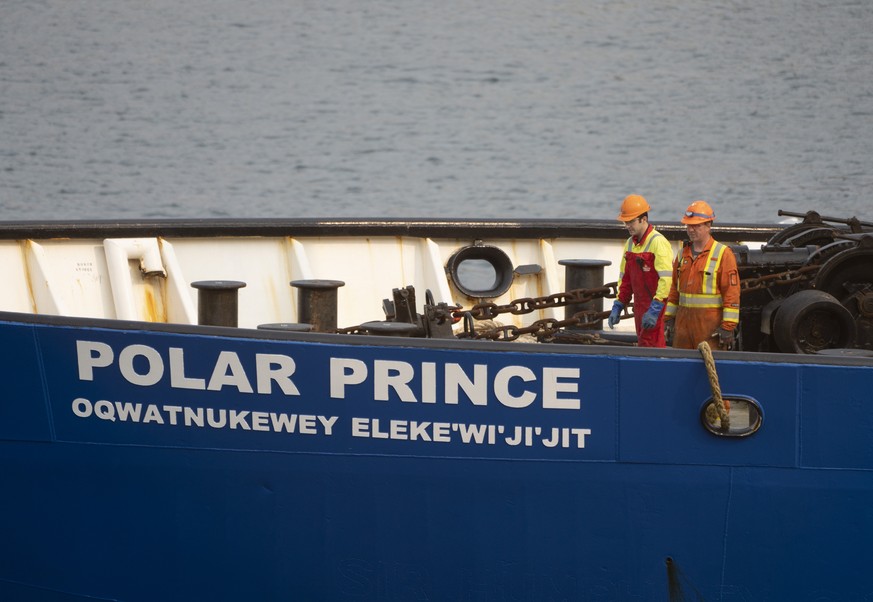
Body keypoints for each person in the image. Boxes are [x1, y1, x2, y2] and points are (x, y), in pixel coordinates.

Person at [664, 200, 740, 350]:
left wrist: (727, 327)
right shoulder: (682, 255)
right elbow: (674, 290)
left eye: (696, 225)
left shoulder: (723, 254)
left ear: (708, 226)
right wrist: (668, 318)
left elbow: (731, 293)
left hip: (709, 331)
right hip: (682, 331)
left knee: (709, 369)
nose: (691, 230)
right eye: (688, 225)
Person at [607, 194, 674, 347]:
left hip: (657, 308)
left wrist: (655, 308)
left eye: (631, 221)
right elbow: (625, 279)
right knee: (644, 345)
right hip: (640, 307)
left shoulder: (658, 242)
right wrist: (619, 303)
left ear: (643, 219)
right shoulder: (630, 244)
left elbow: (667, 280)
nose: (627, 226)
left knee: (654, 348)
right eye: (625, 222)